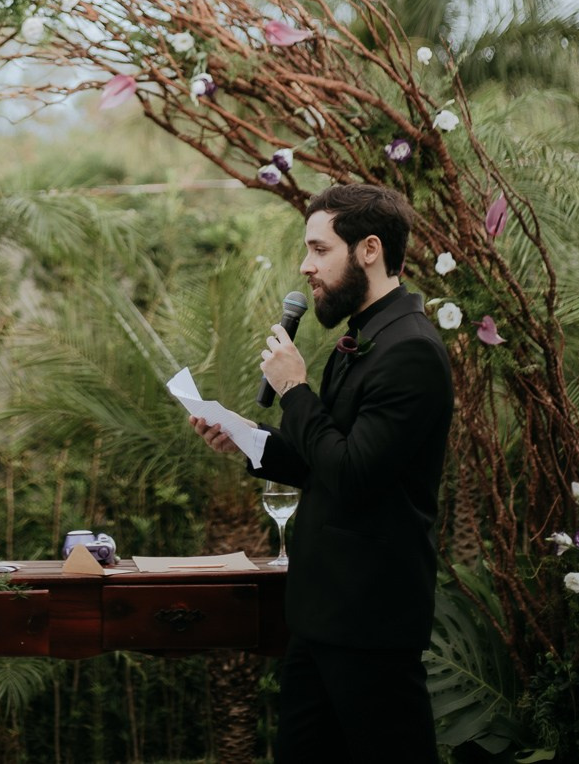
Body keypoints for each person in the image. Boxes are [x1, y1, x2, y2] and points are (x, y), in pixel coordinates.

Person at [192, 183, 453, 764]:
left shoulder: (411, 351)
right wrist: (245, 435)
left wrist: (295, 389)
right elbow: (322, 458)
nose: (304, 266)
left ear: (368, 249)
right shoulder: (358, 341)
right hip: (319, 617)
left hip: (370, 622)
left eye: (318, 249)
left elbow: (354, 474)